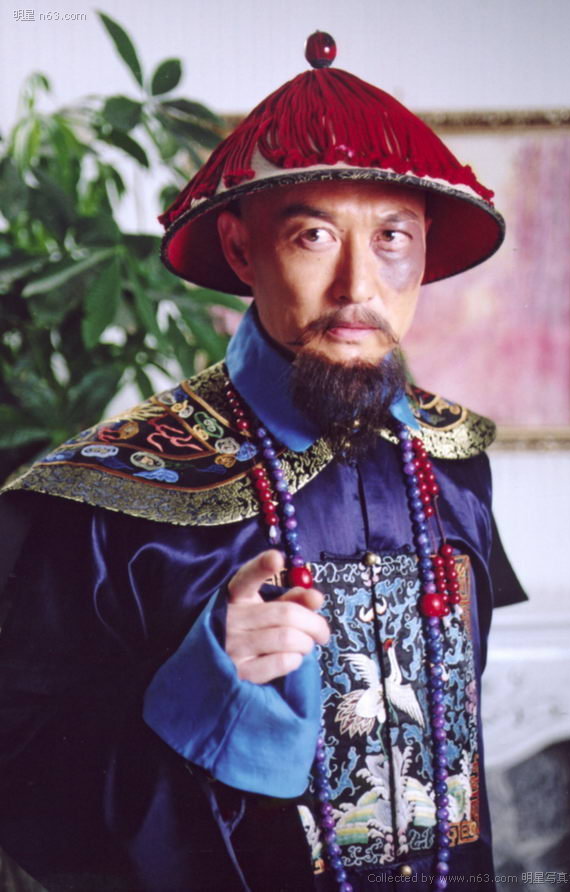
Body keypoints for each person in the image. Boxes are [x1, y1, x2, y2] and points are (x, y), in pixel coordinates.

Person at [0, 32, 526, 892]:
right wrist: (194, 693)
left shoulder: (454, 461)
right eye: (314, 235)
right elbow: (22, 787)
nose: (359, 285)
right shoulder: (109, 491)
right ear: (243, 250)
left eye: (393, 237)